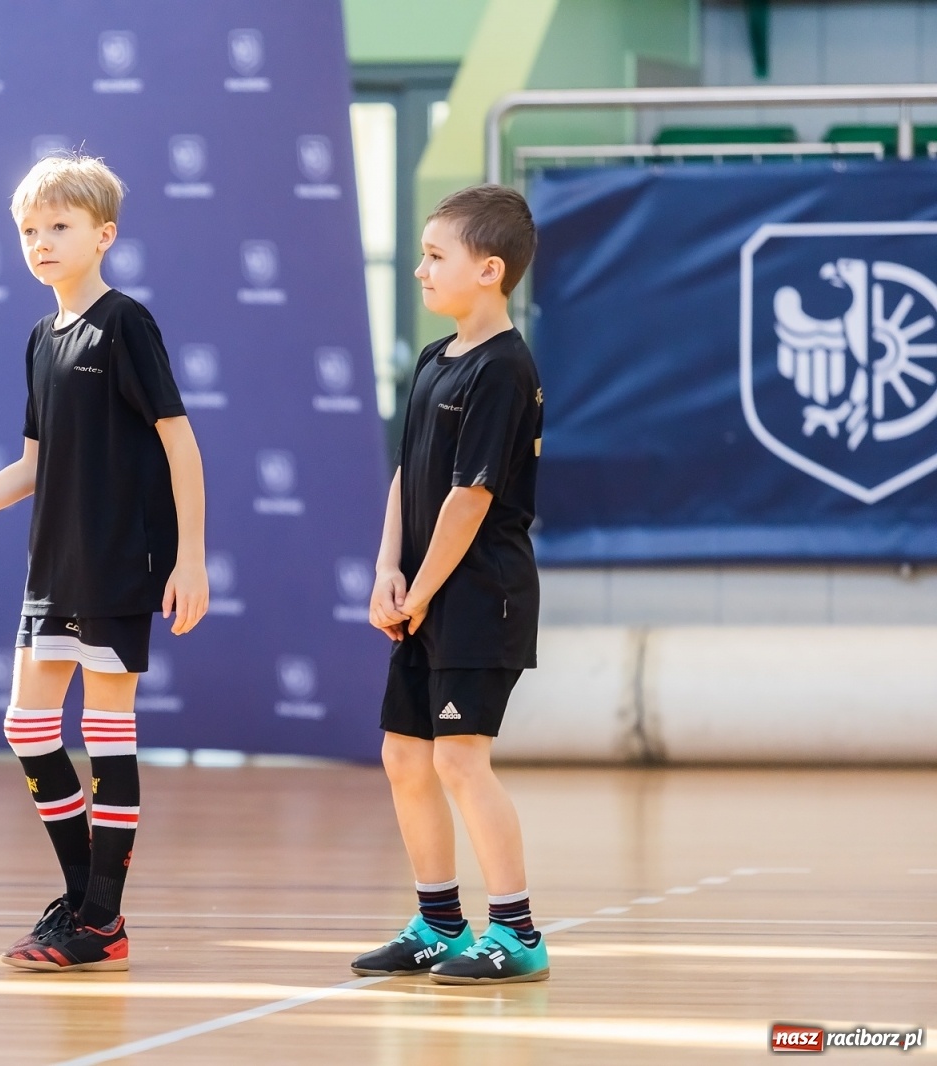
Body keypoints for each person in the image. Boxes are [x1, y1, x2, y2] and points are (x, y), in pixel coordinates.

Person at [0, 153, 208, 973]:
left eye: (59, 227)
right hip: (52, 562)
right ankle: (90, 904)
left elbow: (180, 441)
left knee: (106, 731)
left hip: (116, 560)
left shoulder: (126, 324)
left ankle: (99, 916)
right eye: (29, 229)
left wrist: (191, 557)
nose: (41, 241)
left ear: (103, 235)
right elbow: (34, 464)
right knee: (27, 728)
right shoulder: (40, 338)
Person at [349, 184, 549, 984]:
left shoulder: (505, 369)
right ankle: (438, 922)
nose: (422, 271)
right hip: (424, 591)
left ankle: (518, 931)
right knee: (406, 756)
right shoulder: (436, 360)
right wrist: (387, 569)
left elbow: (470, 500)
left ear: (489, 270)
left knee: (461, 760)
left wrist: (424, 592)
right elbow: (409, 474)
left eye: (437, 257)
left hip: (478, 596)